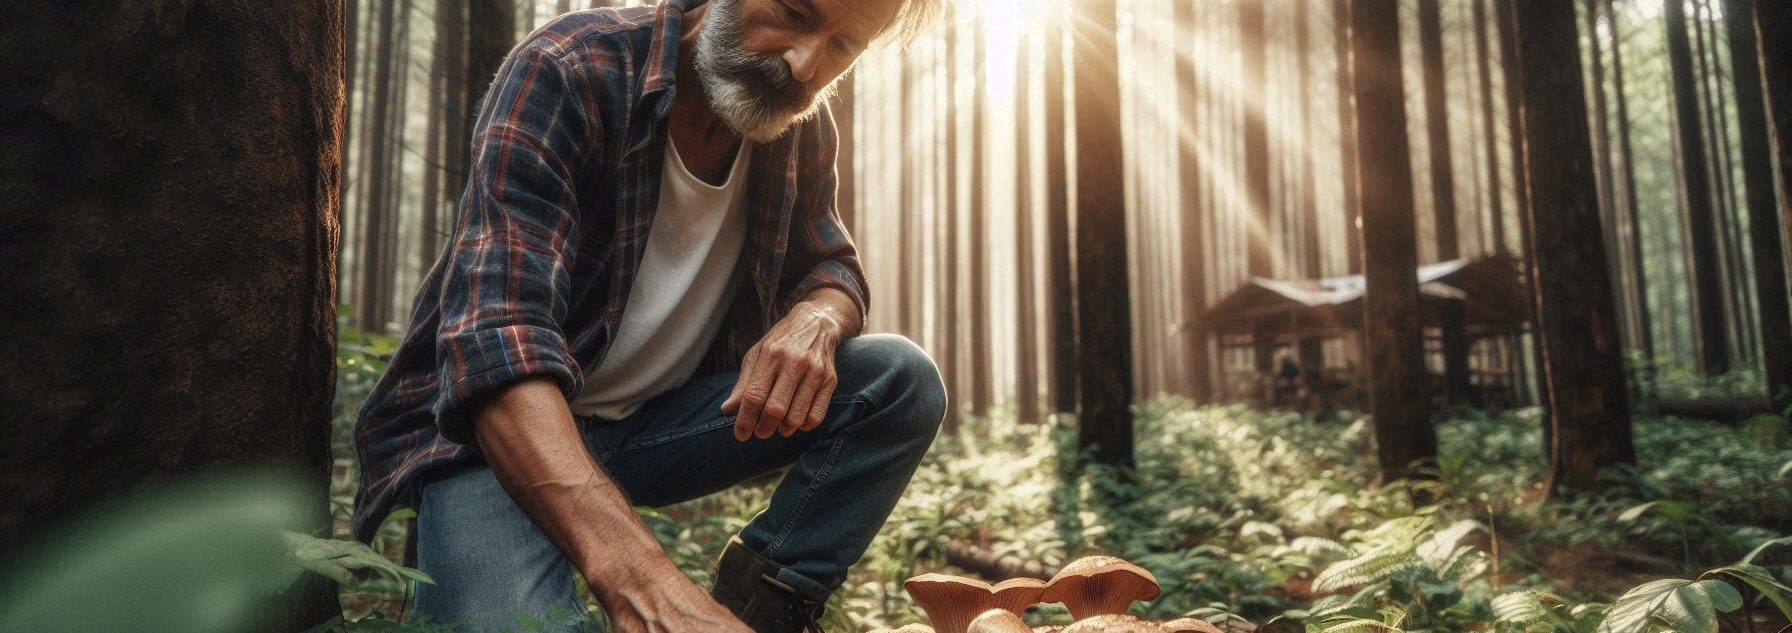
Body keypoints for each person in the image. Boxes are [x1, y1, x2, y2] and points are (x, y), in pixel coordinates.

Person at [348, 0, 947, 631]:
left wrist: (820, 316)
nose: (804, 66)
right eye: (794, 14)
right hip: (493, 438)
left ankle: (752, 617)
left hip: (651, 428)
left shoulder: (795, 122)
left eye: (843, 48)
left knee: (898, 380)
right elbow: (496, 343)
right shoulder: (569, 68)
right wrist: (642, 581)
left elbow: (831, 263)